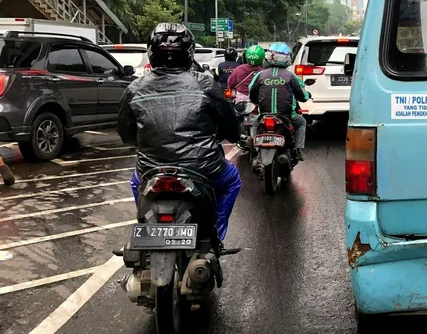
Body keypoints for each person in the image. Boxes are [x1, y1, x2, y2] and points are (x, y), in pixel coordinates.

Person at [117, 23, 242, 244]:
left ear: (151, 52)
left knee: (137, 183)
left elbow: (126, 134)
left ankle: (146, 227)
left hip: (150, 167)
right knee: (232, 181)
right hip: (204, 166)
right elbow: (230, 127)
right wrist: (229, 135)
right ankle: (215, 235)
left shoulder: (135, 88)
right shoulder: (204, 83)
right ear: (189, 53)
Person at [249, 42, 310, 163]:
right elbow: (302, 96)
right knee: (302, 123)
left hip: (263, 115)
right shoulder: (291, 76)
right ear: (287, 58)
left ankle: (255, 149)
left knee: (254, 124)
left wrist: (258, 103)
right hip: (287, 116)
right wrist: (307, 96)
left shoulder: (260, 75)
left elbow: (252, 94)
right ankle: (297, 150)